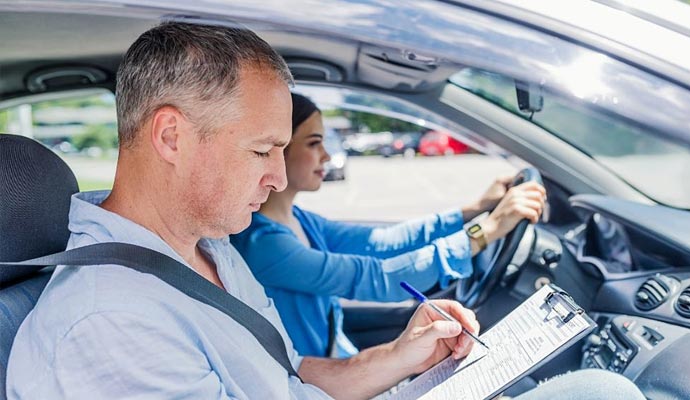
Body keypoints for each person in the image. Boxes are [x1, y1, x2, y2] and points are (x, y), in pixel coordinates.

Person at [6, 22, 644, 400]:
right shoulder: (108, 325)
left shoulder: (206, 248)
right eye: (263, 149)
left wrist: (396, 359)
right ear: (171, 137)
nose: (280, 176)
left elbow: (284, 374)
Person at [231, 92, 547, 358]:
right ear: (278, 150)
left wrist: (475, 210)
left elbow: (384, 240)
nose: (327, 155)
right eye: (314, 143)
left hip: (337, 355)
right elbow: (376, 279)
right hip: (314, 380)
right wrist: (487, 231)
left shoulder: (299, 219)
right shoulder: (263, 243)